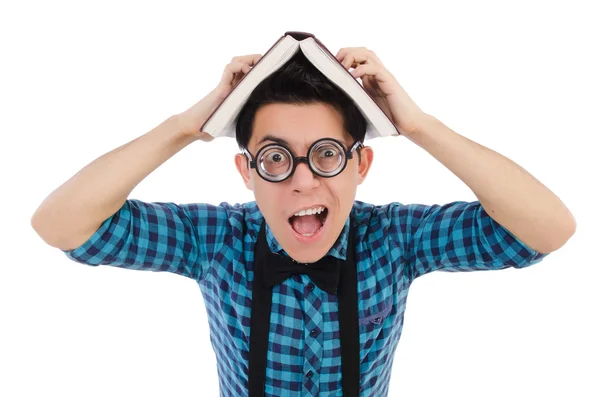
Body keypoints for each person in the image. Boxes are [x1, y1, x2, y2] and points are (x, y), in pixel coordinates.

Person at [31, 47, 576, 396]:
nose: (302, 181)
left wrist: (419, 126)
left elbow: (547, 229)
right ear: (245, 172)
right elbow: (61, 225)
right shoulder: (216, 240)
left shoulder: (395, 240)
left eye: (326, 155)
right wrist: (185, 127)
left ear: (360, 164)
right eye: (274, 157)